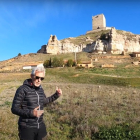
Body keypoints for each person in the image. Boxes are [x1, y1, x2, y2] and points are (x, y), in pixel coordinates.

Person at [11, 66, 62, 140]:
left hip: (40, 125)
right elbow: (14, 109)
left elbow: (44, 101)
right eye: (37, 77)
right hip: (27, 127)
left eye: (42, 78)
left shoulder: (40, 90)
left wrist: (56, 95)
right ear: (31, 76)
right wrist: (31, 113)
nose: (39, 80)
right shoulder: (22, 89)